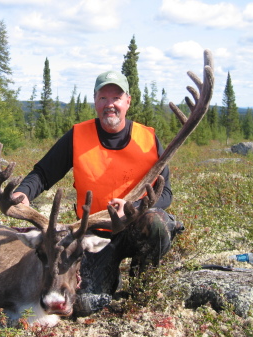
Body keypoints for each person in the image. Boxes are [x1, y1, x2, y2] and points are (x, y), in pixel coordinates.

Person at [13, 70, 183, 316]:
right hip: (93, 237)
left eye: (116, 98)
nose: (109, 105)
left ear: (127, 101)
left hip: (135, 226)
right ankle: (110, 276)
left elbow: (165, 191)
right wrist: (24, 193)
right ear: (95, 101)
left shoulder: (149, 139)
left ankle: (142, 283)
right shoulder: (78, 136)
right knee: (85, 305)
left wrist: (133, 207)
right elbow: (43, 173)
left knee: (157, 223)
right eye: (103, 98)